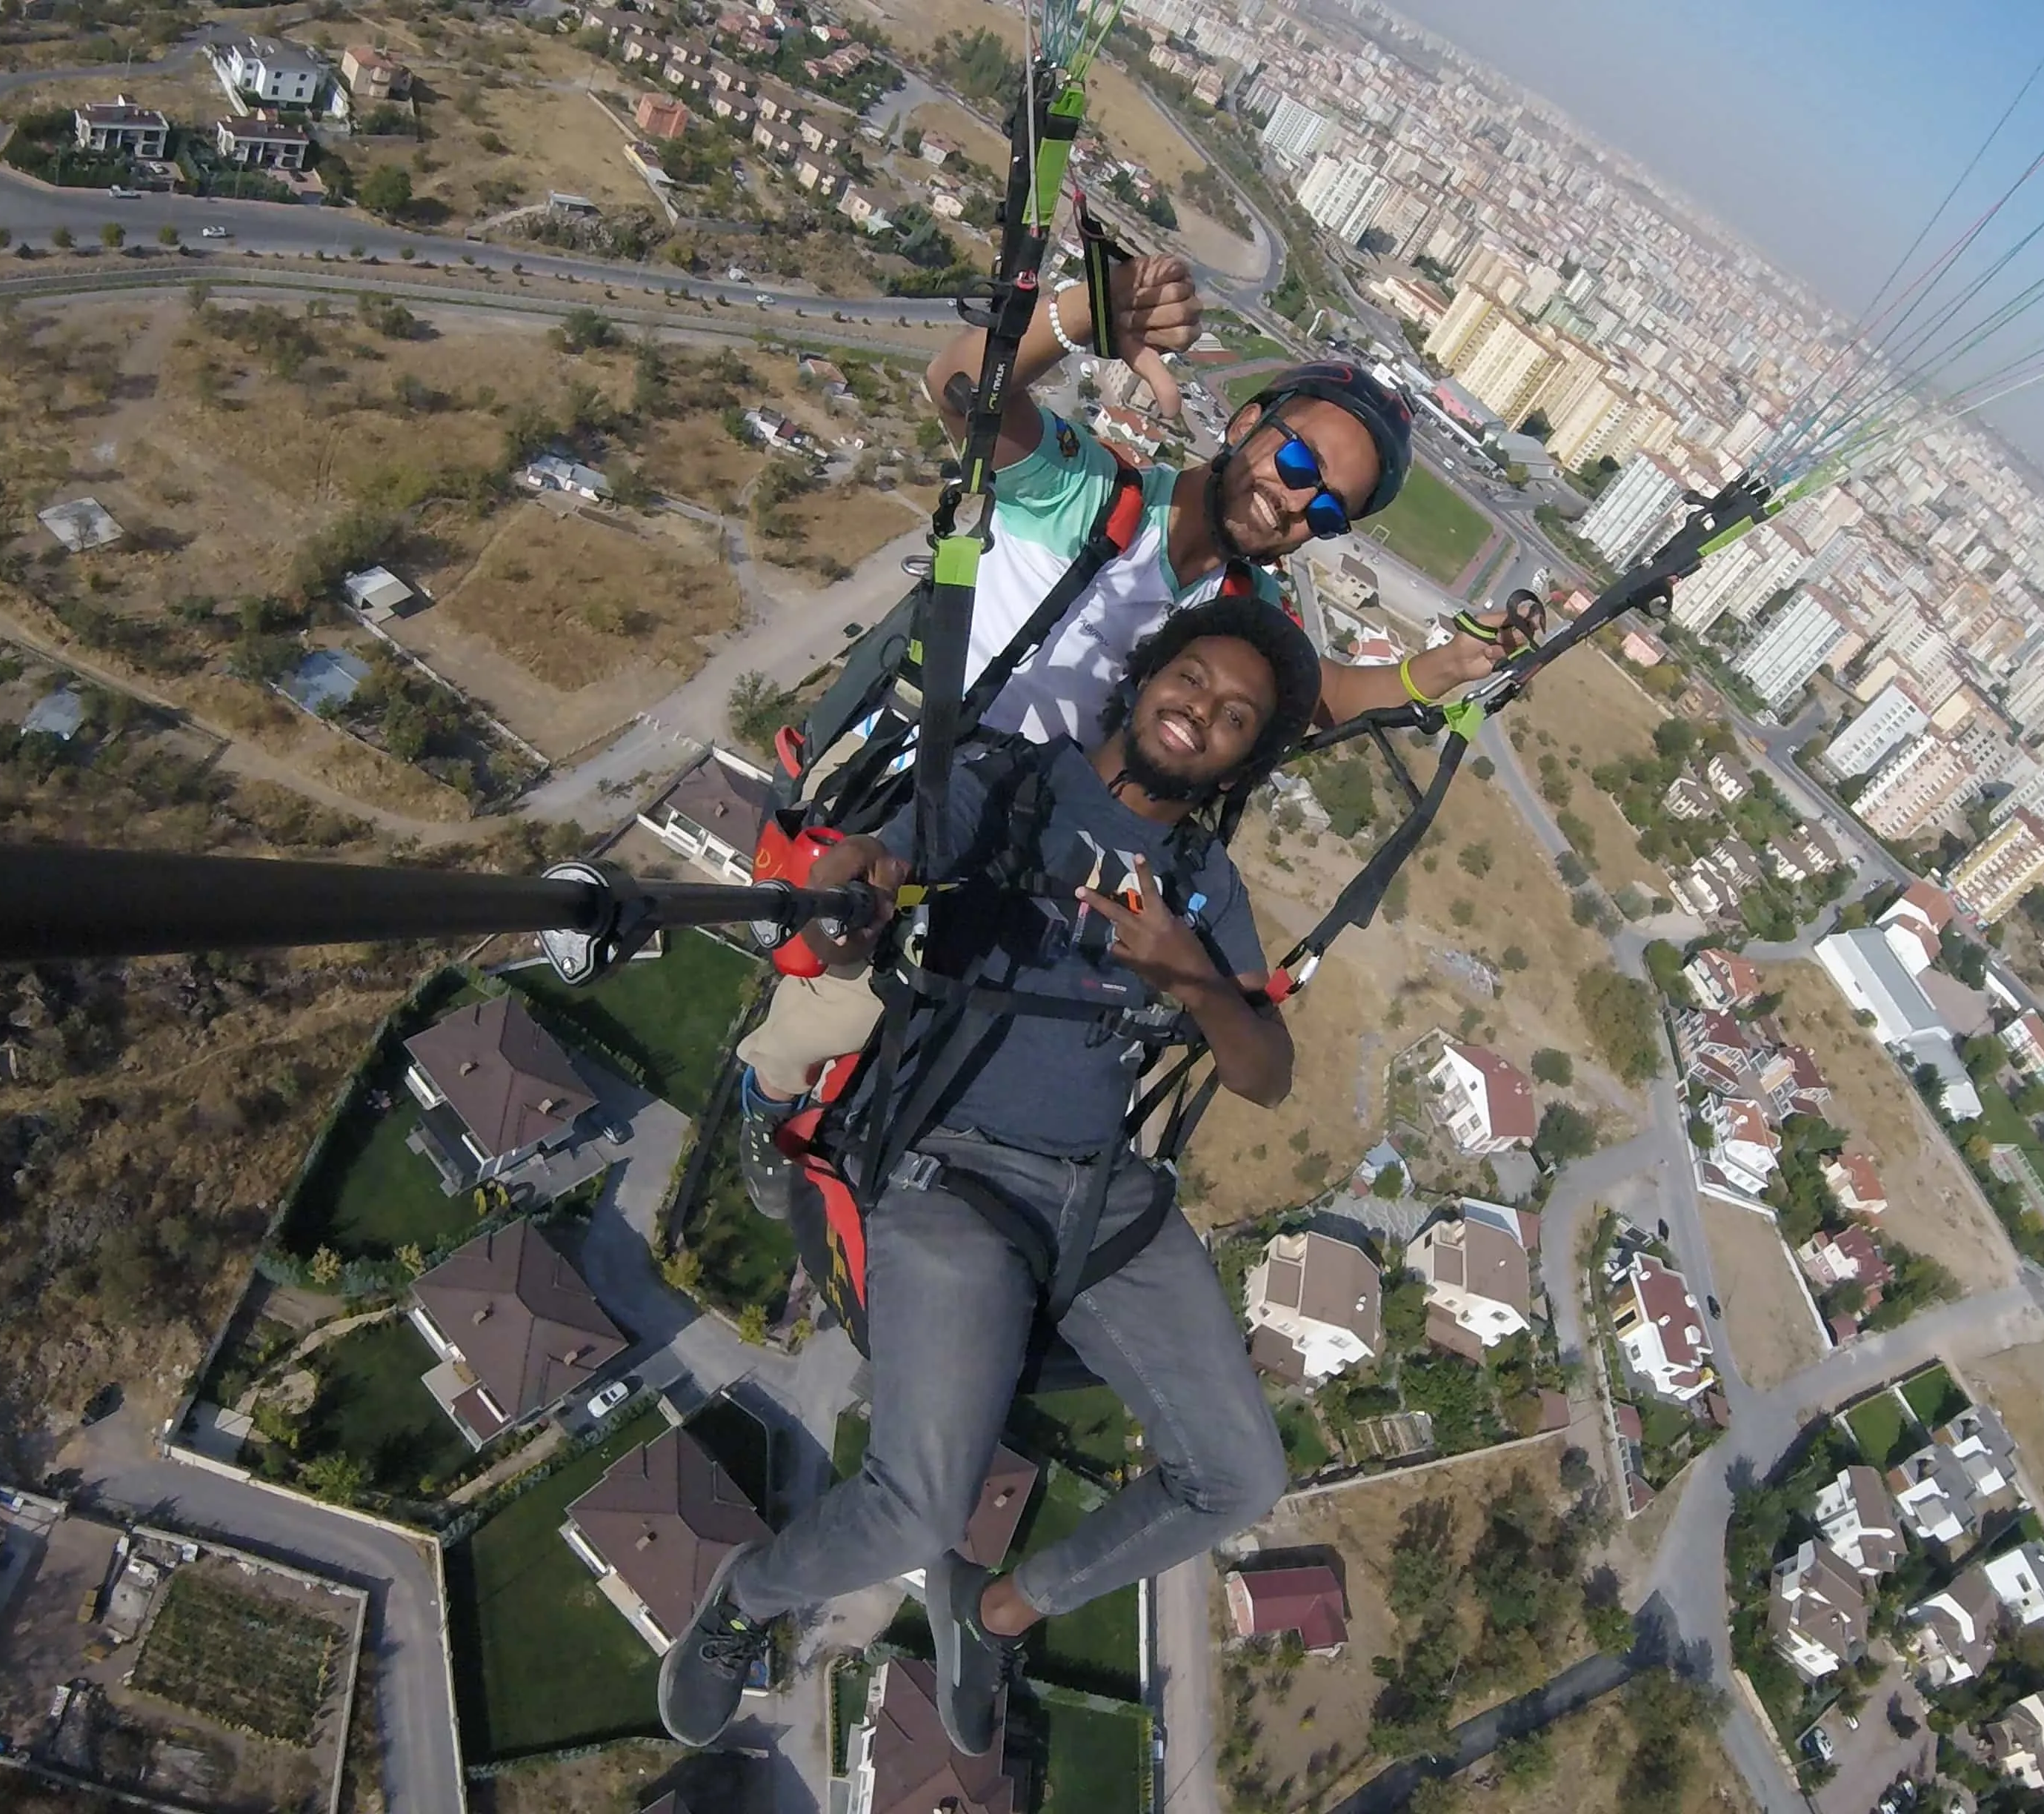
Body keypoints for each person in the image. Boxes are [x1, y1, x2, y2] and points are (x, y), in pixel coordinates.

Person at [658, 597, 1321, 1755]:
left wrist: (1194, 977)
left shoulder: (1203, 885)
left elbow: (1265, 1072)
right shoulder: (1009, 785)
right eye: (1193, 680)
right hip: (954, 1175)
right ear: (1142, 677)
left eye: (1233, 718)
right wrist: (858, 886)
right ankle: (745, 1602)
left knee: (1239, 1475)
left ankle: (998, 1610)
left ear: (1239, 760)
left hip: (1103, 1196)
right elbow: (898, 856)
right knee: (915, 1505)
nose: (1201, 713)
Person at [735, 253, 1537, 1102]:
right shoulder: (1086, 491)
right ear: (1245, 424)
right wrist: (1082, 319)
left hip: (1026, 825)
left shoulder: (1242, 601)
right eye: (1297, 464)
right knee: (851, 1000)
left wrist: (1447, 668)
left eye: (1326, 509)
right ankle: (771, 1088)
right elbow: (959, 385)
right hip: (912, 782)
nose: (1293, 503)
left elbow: (1322, 698)